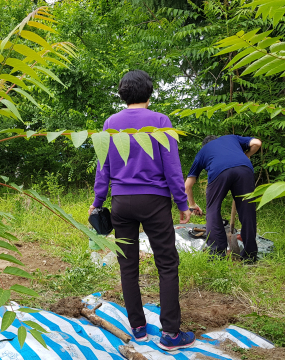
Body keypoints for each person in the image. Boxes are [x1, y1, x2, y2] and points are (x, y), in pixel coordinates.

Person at [89, 70, 196, 351]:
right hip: (155, 202)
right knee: (167, 265)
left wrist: (98, 201)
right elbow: (172, 167)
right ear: (150, 93)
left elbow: (104, 167)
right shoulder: (160, 121)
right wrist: (182, 203)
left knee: (128, 266)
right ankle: (171, 334)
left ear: (122, 94)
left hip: (122, 203)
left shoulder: (111, 123)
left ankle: (137, 328)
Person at [184, 135, 262, 262]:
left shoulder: (202, 152)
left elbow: (187, 186)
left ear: (205, 145)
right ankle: (250, 255)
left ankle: (216, 254)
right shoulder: (231, 138)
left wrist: (192, 204)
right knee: (248, 210)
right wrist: (247, 155)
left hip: (219, 171)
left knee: (213, 210)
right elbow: (257, 143)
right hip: (244, 169)